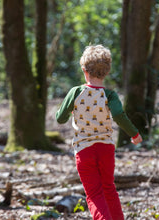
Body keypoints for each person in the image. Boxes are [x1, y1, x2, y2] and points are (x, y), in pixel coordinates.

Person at [56, 45, 143, 220]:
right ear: (107, 71)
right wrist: (134, 134)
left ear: (83, 70)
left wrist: (70, 110)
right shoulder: (110, 95)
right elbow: (119, 115)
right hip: (106, 149)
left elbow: (60, 118)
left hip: (84, 150)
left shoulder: (76, 92)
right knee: (109, 189)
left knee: (94, 194)